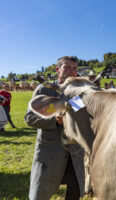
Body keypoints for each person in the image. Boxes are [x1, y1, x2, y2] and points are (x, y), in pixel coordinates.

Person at [24, 56, 85, 200]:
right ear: (58, 70)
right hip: (50, 151)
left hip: (75, 153)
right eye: (67, 67)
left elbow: (81, 116)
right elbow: (29, 119)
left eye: (74, 68)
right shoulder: (44, 89)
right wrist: (54, 120)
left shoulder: (78, 93)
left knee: (75, 190)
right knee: (39, 194)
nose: (71, 71)